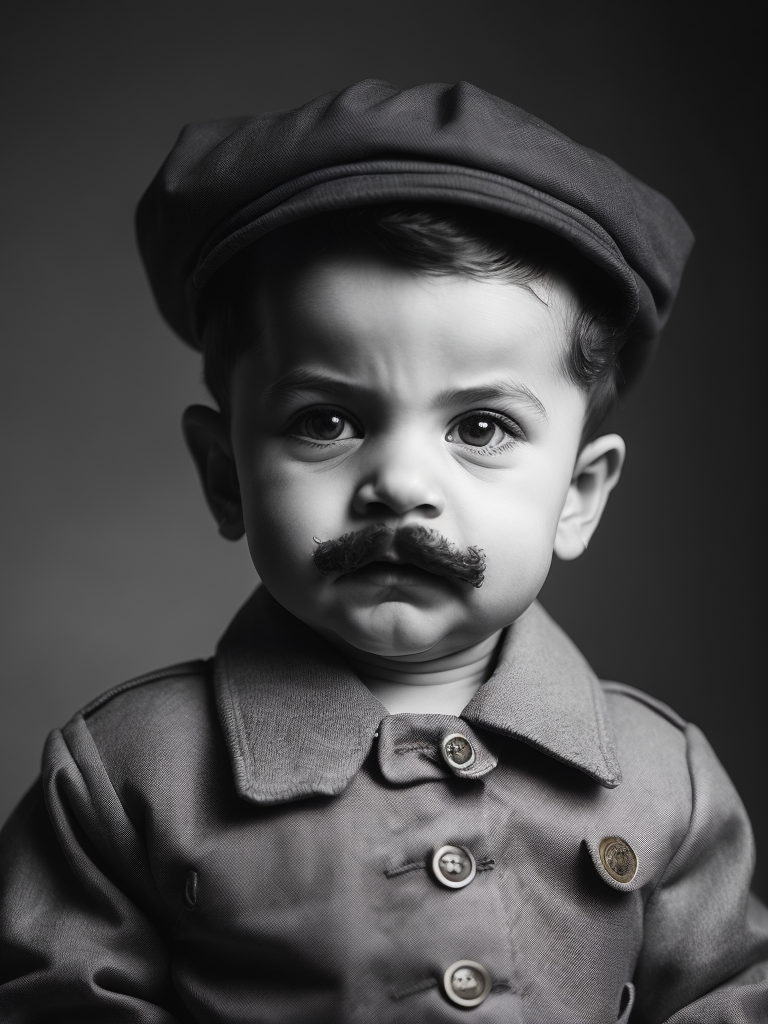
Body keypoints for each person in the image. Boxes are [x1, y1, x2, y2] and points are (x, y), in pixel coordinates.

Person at [1, 79, 766, 1023]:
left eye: (481, 426)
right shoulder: (124, 778)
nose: (401, 482)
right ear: (227, 476)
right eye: (327, 420)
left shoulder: (665, 783)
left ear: (578, 495)